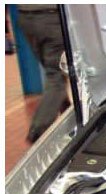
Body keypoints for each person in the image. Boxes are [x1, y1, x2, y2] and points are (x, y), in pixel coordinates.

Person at [17, 5, 67, 142]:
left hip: (26, 18)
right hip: (52, 18)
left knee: (53, 72)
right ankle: (38, 131)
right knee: (56, 77)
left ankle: (67, 114)